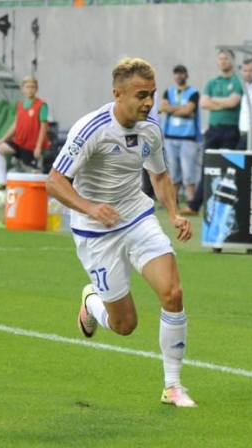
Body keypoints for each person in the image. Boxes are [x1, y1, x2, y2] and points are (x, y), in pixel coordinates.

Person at [46, 58, 196, 408]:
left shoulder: (151, 129)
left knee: (172, 293)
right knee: (125, 324)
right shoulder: (91, 129)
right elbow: (54, 181)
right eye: (141, 95)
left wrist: (173, 214)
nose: (148, 102)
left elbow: (158, 175)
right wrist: (90, 207)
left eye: (153, 95)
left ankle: (172, 386)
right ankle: (91, 303)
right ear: (118, 94)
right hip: (96, 231)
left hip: (137, 215)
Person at [180, 50, 243, 217]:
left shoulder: (238, 81)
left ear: (232, 60)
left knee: (227, 169)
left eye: (226, 59)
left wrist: (215, 101)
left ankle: (223, 207)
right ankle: (195, 206)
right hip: (213, 129)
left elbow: (233, 102)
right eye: (220, 59)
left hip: (230, 129)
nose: (222, 61)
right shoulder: (211, 82)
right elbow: (203, 103)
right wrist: (223, 103)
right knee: (207, 168)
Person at [0, 77, 50, 191]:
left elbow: (44, 127)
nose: (30, 90)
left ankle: (46, 197)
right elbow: (15, 125)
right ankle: (2, 181)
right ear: (22, 89)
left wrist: (38, 147)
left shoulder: (41, 105)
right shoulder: (20, 105)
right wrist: (3, 139)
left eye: (33, 87)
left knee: (36, 174)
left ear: (36, 89)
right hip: (18, 142)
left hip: (31, 147)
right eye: (27, 87)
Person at [159, 64, 201, 203]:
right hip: (170, 137)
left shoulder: (193, 92)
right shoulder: (168, 92)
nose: (179, 76)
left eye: (181, 73)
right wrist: (181, 109)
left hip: (188, 137)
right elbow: (162, 107)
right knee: (173, 172)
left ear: (186, 75)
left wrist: (173, 109)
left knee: (188, 172)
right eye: (176, 73)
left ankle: (191, 201)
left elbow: (188, 111)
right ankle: (173, 200)